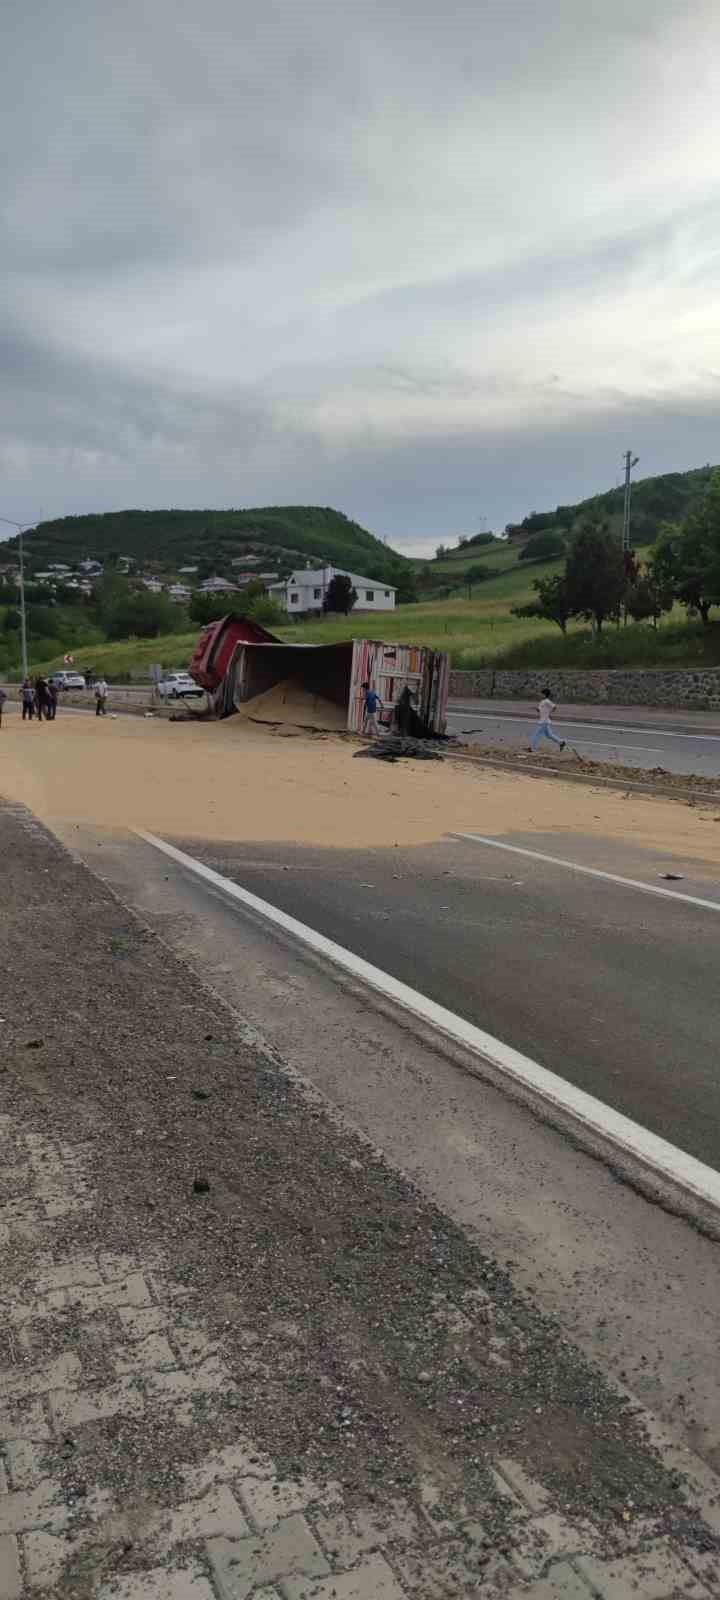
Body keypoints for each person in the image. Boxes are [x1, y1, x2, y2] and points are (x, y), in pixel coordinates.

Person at [530, 688, 566, 753]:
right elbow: (540, 710)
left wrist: (549, 712)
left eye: (541, 694)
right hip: (544, 721)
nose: (539, 695)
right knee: (549, 735)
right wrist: (536, 709)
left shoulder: (547, 701)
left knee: (536, 735)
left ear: (544, 694)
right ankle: (561, 742)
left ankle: (533, 749)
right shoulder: (542, 701)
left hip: (544, 721)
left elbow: (554, 707)